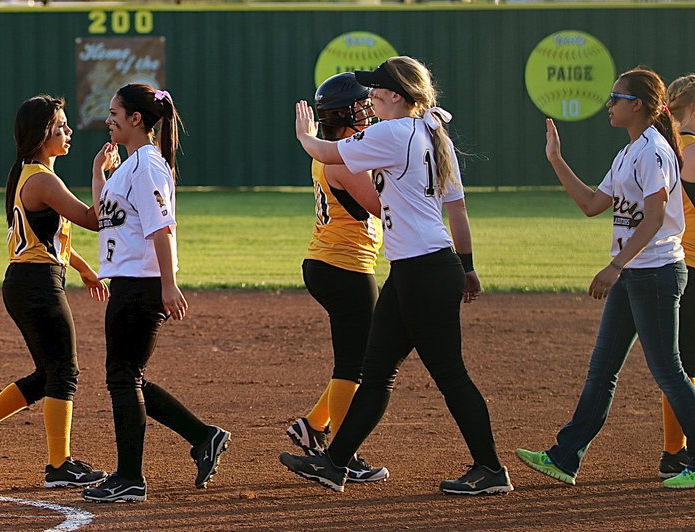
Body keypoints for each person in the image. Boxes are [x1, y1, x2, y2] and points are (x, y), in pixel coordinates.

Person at [281, 56, 512, 495]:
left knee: (449, 374)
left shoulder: (396, 131)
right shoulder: (431, 131)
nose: (370, 97)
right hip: (419, 267)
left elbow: (328, 153)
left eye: (377, 91)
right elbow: (457, 210)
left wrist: (303, 134)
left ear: (397, 96)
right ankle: (333, 463)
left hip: (423, 270)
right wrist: (466, 266)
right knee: (376, 369)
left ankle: (490, 469)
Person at [516, 67, 695, 489]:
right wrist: (556, 159)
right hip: (635, 272)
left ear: (638, 105)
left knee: (668, 369)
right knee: (603, 370)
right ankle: (565, 457)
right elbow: (592, 204)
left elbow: (654, 219)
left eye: (615, 98)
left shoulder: (653, 150)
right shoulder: (629, 152)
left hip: (654, 272)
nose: (609, 105)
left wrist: (615, 266)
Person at [0, 95, 113, 489]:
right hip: (36, 285)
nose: (68, 132)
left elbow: (49, 238)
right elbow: (95, 219)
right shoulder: (41, 178)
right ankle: (59, 466)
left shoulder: (30, 173)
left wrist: (85, 269)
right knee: (64, 373)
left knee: (50, 372)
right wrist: (99, 173)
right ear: (42, 134)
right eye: (61, 127)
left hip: (31, 281)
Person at [80, 84, 231, 504]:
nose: (108, 119)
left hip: (142, 285)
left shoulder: (147, 165)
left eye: (114, 112)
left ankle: (130, 477)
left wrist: (168, 284)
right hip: (127, 282)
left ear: (136, 119)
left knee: (123, 377)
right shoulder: (130, 166)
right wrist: (98, 176)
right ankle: (204, 437)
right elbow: (103, 220)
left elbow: (161, 229)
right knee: (129, 376)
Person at [284, 73, 388, 485]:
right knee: (354, 365)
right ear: (344, 114)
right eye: (361, 107)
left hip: (333, 263)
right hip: (345, 267)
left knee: (356, 360)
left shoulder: (337, 152)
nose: (368, 112)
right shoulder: (342, 158)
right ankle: (345, 454)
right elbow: (381, 206)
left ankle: (313, 426)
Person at [659, 74, 695, 478]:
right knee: (681, 364)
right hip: (692, 260)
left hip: (676, 257)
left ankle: (674, 451)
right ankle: (674, 454)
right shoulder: (690, 148)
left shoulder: (666, 146)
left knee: (680, 363)